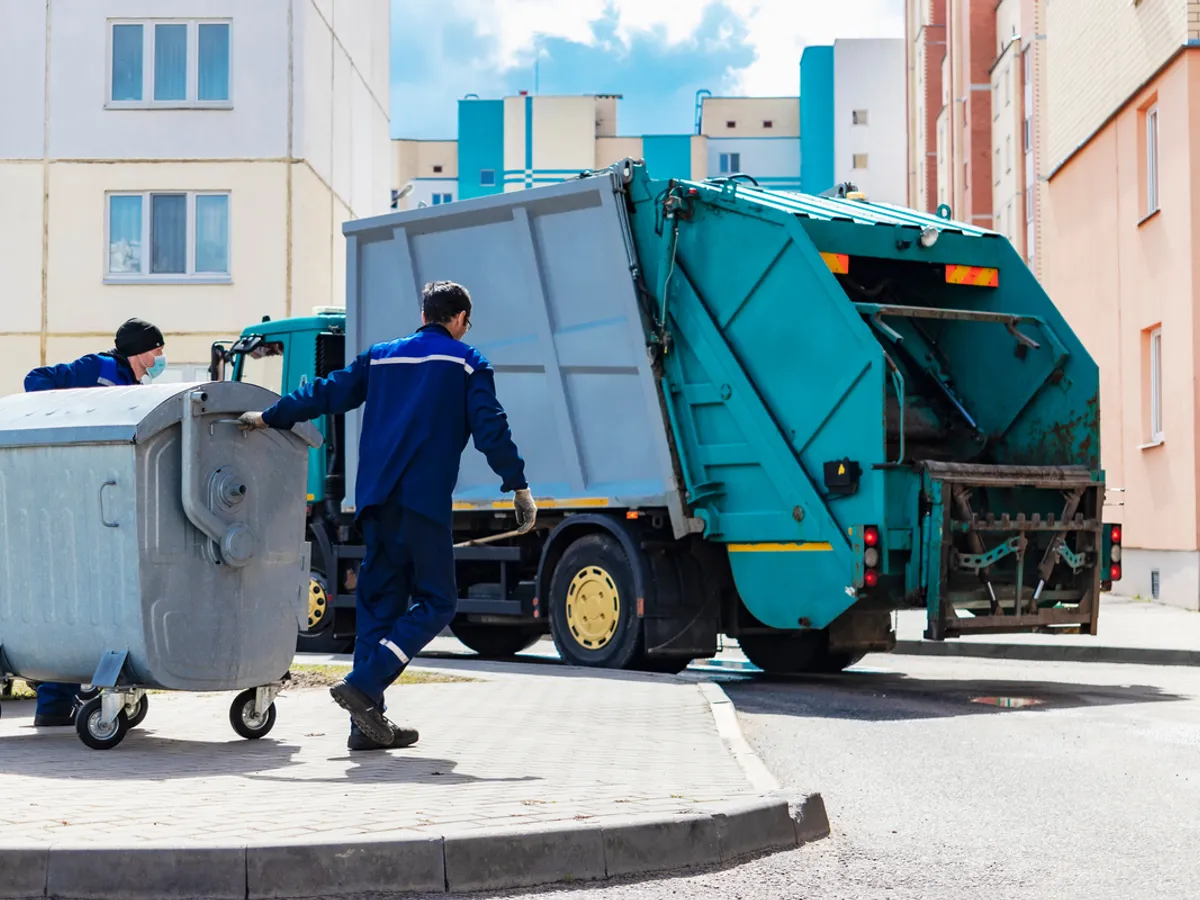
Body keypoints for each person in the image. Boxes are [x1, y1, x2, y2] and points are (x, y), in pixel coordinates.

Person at [238, 281, 536, 751]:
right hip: (424, 504)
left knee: (377, 608)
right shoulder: (467, 361)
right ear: (457, 319)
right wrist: (517, 485)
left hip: (375, 503)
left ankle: (365, 727)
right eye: (466, 322)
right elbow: (490, 427)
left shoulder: (380, 357)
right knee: (438, 603)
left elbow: (326, 392)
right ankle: (366, 683)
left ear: (424, 313)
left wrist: (269, 416)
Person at [23, 317, 167, 727]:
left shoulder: (136, 388)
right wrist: (74, 414)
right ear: (140, 350)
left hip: (107, 501)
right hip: (77, 494)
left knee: (93, 602)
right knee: (75, 594)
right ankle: (53, 702)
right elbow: (36, 380)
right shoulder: (97, 368)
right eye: (156, 350)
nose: (160, 358)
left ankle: (59, 702)